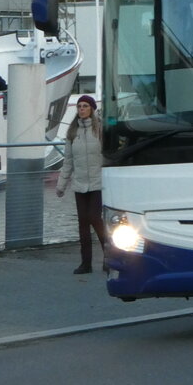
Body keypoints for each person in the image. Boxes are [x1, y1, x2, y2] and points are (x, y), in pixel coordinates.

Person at [56, 95, 108, 274]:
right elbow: (68, 161)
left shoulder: (100, 130)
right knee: (83, 223)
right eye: (79, 106)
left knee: (95, 217)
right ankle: (86, 263)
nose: (82, 109)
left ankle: (108, 256)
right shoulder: (72, 133)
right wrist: (61, 185)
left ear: (92, 109)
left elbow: (108, 156)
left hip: (97, 182)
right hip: (80, 184)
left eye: (85, 106)